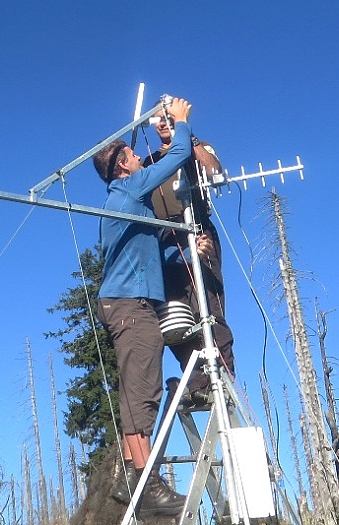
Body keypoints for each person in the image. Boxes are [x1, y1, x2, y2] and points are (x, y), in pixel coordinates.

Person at [92, 97, 210, 516]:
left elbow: (150, 257)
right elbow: (176, 157)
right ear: (123, 166)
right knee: (142, 388)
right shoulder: (128, 189)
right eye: (132, 154)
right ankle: (146, 484)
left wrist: (187, 251)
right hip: (130, 305)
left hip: (128, 302)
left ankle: (133, 477)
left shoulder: (128, 205)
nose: (139, 157)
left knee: (139, 384)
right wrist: (180, 122)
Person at [143, 108, 235, 405]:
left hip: (196, 228)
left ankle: (221, 378)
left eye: (169, 118)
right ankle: (196, 381)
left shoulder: (197, 146)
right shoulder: (148, 162)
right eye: (158, 120)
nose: (164, 124)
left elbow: (217, 174)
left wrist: (189, 139)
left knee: (207, 307)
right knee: (174, 315)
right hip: (163, 239)